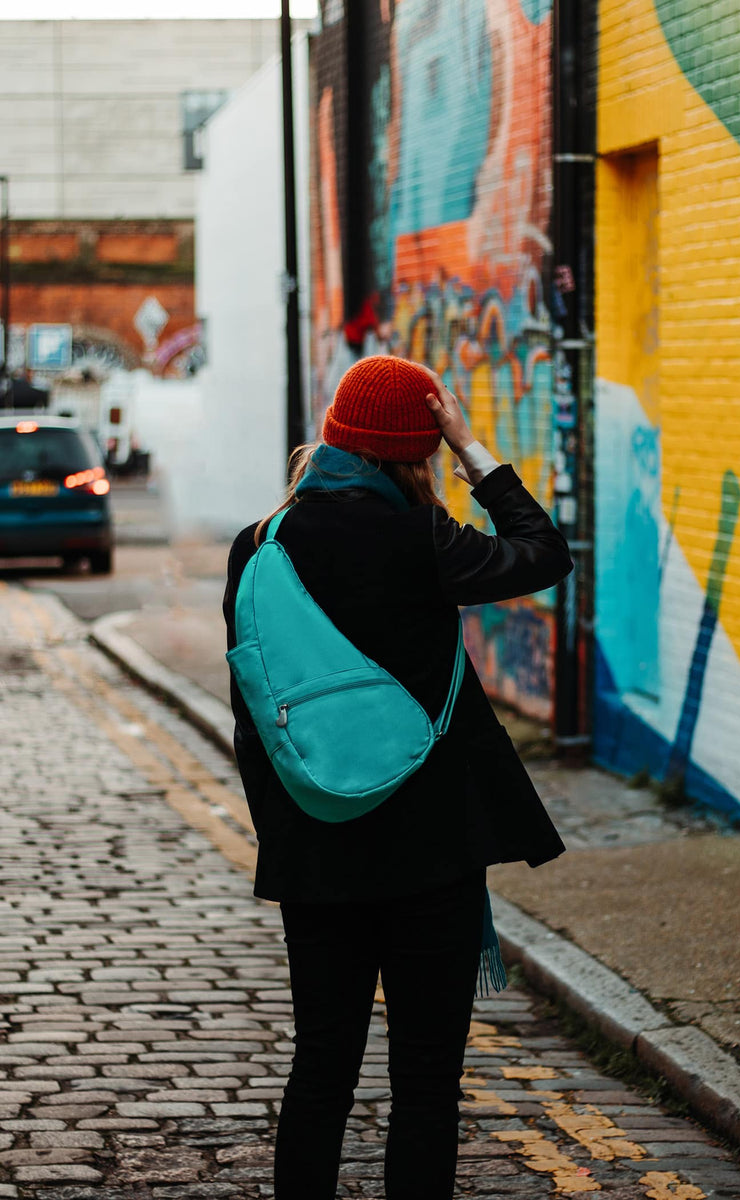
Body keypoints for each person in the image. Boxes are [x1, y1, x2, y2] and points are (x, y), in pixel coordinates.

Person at [223, 356, 573, 1200]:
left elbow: (253, 708)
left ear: (339, 431)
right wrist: (475, 453)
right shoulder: (424, 541)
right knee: (424, 1085)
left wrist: (289, 826)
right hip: (432, 858)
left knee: (321, 1073)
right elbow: (543, 553)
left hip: (318, 851)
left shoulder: (261, 544)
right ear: (418, 452)